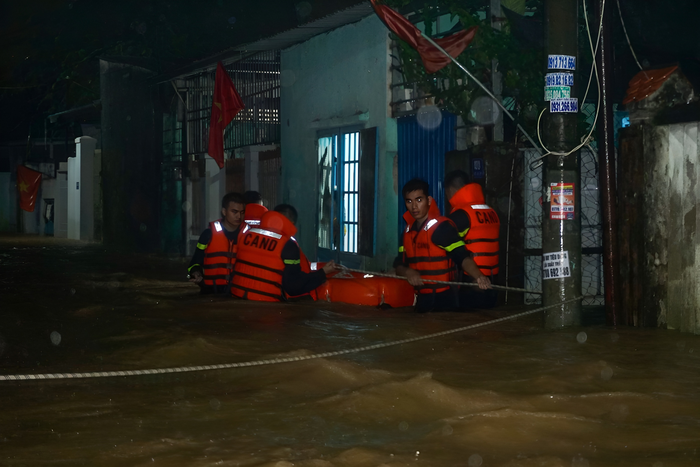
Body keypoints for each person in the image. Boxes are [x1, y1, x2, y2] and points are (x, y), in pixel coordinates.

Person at [394, 179, 490, 312]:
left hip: (445, 300)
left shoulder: (442, 228)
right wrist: (407, 272)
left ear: (428, 200)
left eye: (419, 200)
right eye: (409, 201)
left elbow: (462, 257)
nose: (414, 206)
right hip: (421, 300)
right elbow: (399, 264)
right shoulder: (407, 232)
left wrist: (479, 276)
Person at [231, 204, 338, 301]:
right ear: (291, 223)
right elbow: (293, 287)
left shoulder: (246, 235)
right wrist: (323, 273)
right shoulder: (287, 244)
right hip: (265, 307)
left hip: (236, 298)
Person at [445, 170, 500, 309]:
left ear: (451, 190)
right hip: (493, 281)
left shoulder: (462, 215)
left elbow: (442, 239)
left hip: (472, 281)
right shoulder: (491, 211)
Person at [187, 192, 245, 294]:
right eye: (234, 212)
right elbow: (195, 262)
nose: (238, 216)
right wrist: (196, 273)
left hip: (237, 293)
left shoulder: (248, 236)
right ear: (224, 211)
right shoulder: (208, 234)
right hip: (210, 291)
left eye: (242, 212)